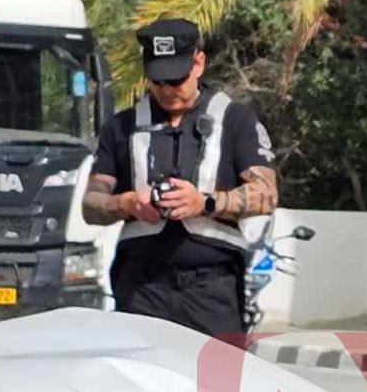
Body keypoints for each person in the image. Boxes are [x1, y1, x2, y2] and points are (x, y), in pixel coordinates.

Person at [83, 18, 277, 336]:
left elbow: (267, 194)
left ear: (198, 63)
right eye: (159, 81)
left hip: (211, 289)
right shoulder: (121, 127)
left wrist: (205, 202)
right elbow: (90, 204)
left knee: (214, 383)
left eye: (177, 79)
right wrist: (127, 203)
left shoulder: (236, 121)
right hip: (141, 287)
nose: (168, 91)